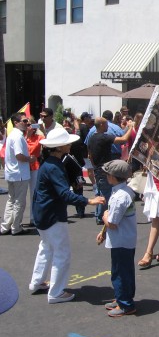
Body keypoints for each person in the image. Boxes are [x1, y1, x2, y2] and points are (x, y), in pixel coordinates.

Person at [29, 129, 104, 304]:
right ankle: (56, 292)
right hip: (53, 214)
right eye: (67, 143)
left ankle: (37, 282)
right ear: (60, 146)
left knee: (46, 248)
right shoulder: (55, 166)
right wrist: (88, 201)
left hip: (42, 212)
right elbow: (64, 194)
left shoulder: (48, 163)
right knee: (61, 253)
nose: (70, 145)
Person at [95, 160, 137, 317]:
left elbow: (112, 222)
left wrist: (104, 215)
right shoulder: (124, 191)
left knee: (120, 272)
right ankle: (122, 298)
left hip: (121, 240)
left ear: (112, 177)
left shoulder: (120, 197)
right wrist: (103, 231)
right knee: (124, 271)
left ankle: (126, 304)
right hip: (124, 239)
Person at [88, 117, 134, 225]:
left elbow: (89, 155)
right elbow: (123, 140)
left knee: (100, 192)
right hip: (104, 169)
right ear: (101, 125)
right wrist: (131, 128)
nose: (108, 126)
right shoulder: (104, 138)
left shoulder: (92, 138)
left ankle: (99, 215)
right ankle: (102, 217)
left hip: (98, 168)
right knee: (106, 194)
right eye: (106, 124)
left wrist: (95, 165)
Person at [1, 113, 35, 235]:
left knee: (12, 200)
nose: (27, 124)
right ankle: (16, 227)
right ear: (16, 123)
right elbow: (19, 155)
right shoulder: (17, 136)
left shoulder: (14, 135)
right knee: (19, 202)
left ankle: (6, 226)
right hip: (19, 173)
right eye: (24, 121)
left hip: (12, 173)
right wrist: (30, 159)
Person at [25, 118, 43, 226]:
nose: (29, 126)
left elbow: (47, 142)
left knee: (34, 193)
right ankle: (17, 219)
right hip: (23, 167)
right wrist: (27, 135)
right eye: (27, 124)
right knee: (20, 195)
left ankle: (33, 217)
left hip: (34, 166)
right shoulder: (22, 138)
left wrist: (43, 129)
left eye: (31, 124)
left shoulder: (39, 137)